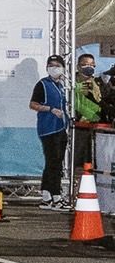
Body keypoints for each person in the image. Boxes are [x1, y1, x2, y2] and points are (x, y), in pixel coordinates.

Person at [30, 53, 73, 208]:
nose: (54, 68)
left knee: (55, 162)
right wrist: (50, 109)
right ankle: (56, 196)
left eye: (57, 65)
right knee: (53, 162)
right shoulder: (42, 84)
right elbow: (33, 104)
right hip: (48, 129)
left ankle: (47, 195)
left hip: (60, 127)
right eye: (51, 65)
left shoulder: (60, 86)